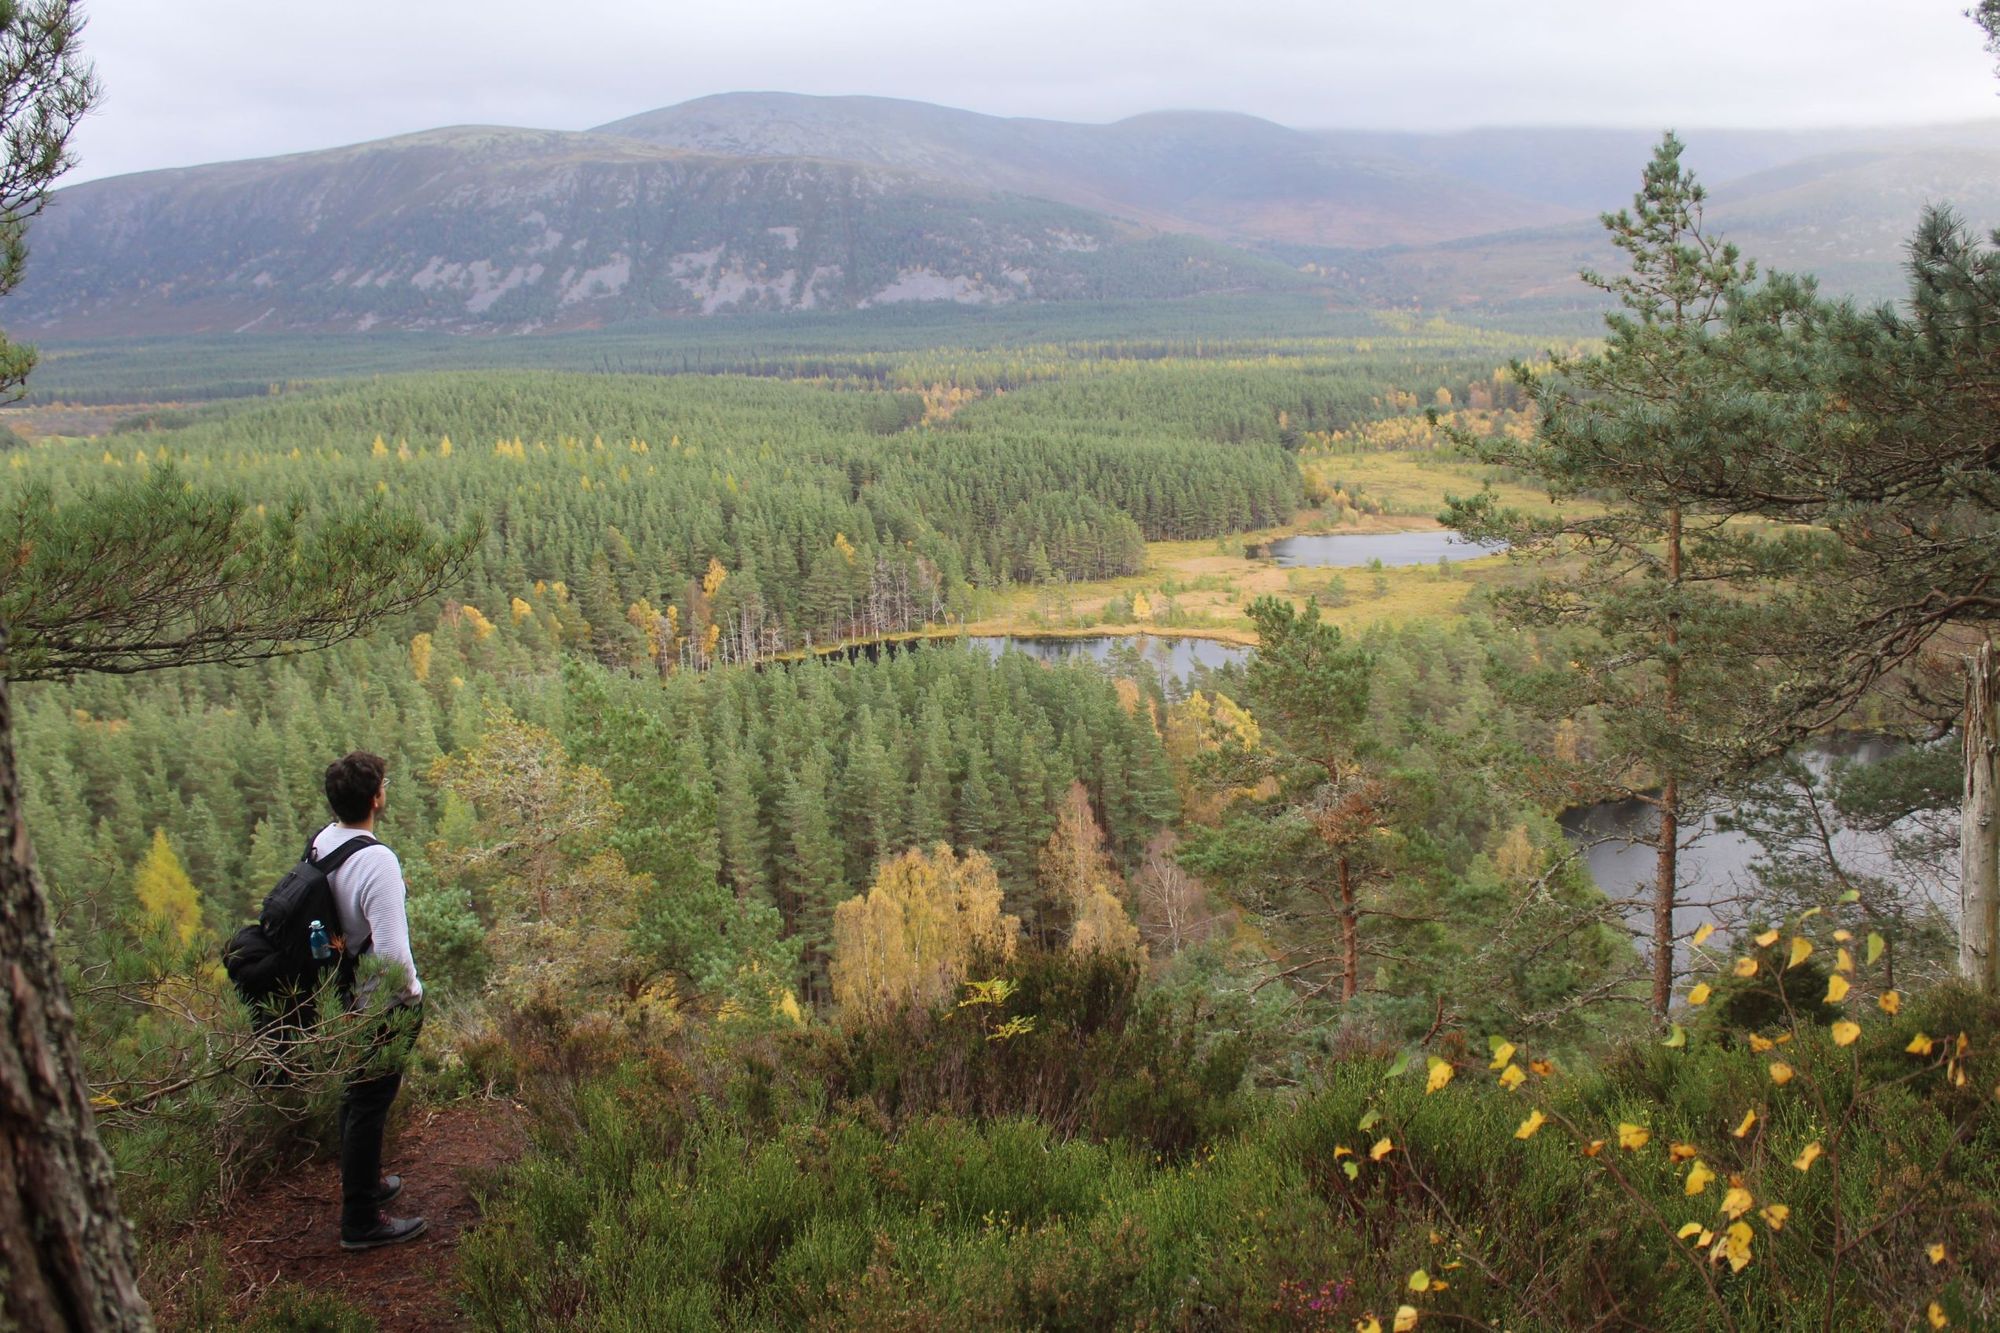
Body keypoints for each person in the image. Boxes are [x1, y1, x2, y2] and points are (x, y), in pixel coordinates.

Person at [316, 751, 428, 1251]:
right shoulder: (377, 861)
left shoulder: (324, 842)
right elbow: (394, 956)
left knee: (355, 1096)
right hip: (376, 1005)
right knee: (369, 1102)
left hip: (339, 997)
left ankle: (368, 1184)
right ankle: (360, 1218)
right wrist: (410, 998)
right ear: (377, 798)